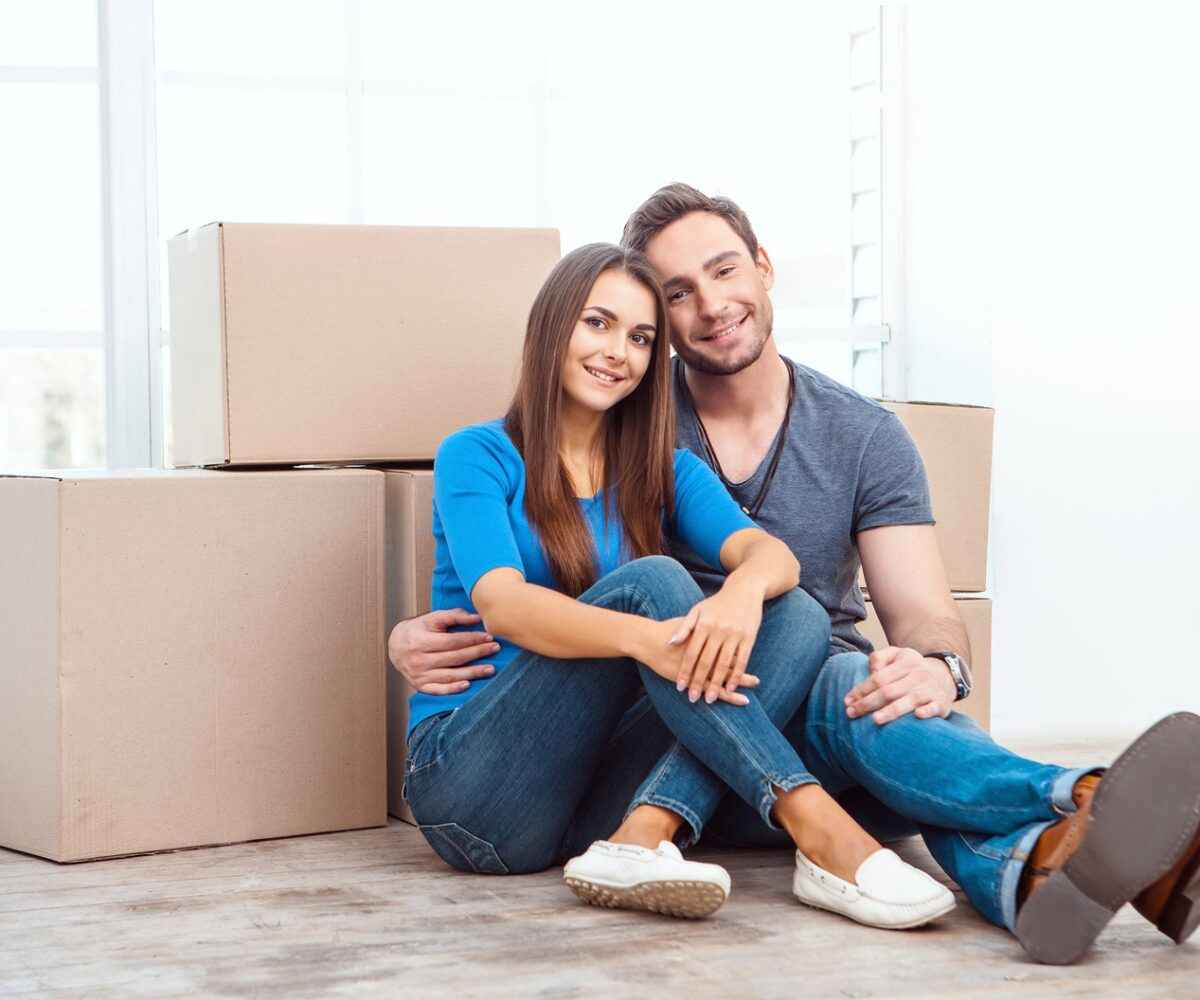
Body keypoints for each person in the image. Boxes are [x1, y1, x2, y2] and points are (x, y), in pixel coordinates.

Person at [391, 186, 1200, 965]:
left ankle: (1038, 865)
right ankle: (1049, 798)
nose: (704, 307)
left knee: (845, 669)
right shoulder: (591, 424)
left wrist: (927, 665)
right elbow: (506, 596)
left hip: (765, 714)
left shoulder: (827, 438)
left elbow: (897, 604)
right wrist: (655, 639)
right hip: (608, 742)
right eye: (669, 297)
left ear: (763, 267)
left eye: (722, 271)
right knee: (677, 589)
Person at [400, 241, 955, 930]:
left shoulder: (661, 469)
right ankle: (817, 825)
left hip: (585, 801)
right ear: (553, 326)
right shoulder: (478, 454)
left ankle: (643, 836)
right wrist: (649, 641)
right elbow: (503, 604)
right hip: (472, 787)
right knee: (656, 582)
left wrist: (740, 595)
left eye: (640, 338)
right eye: (597, 323)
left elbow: (769, 555)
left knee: (798, 614)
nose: (618, 353)